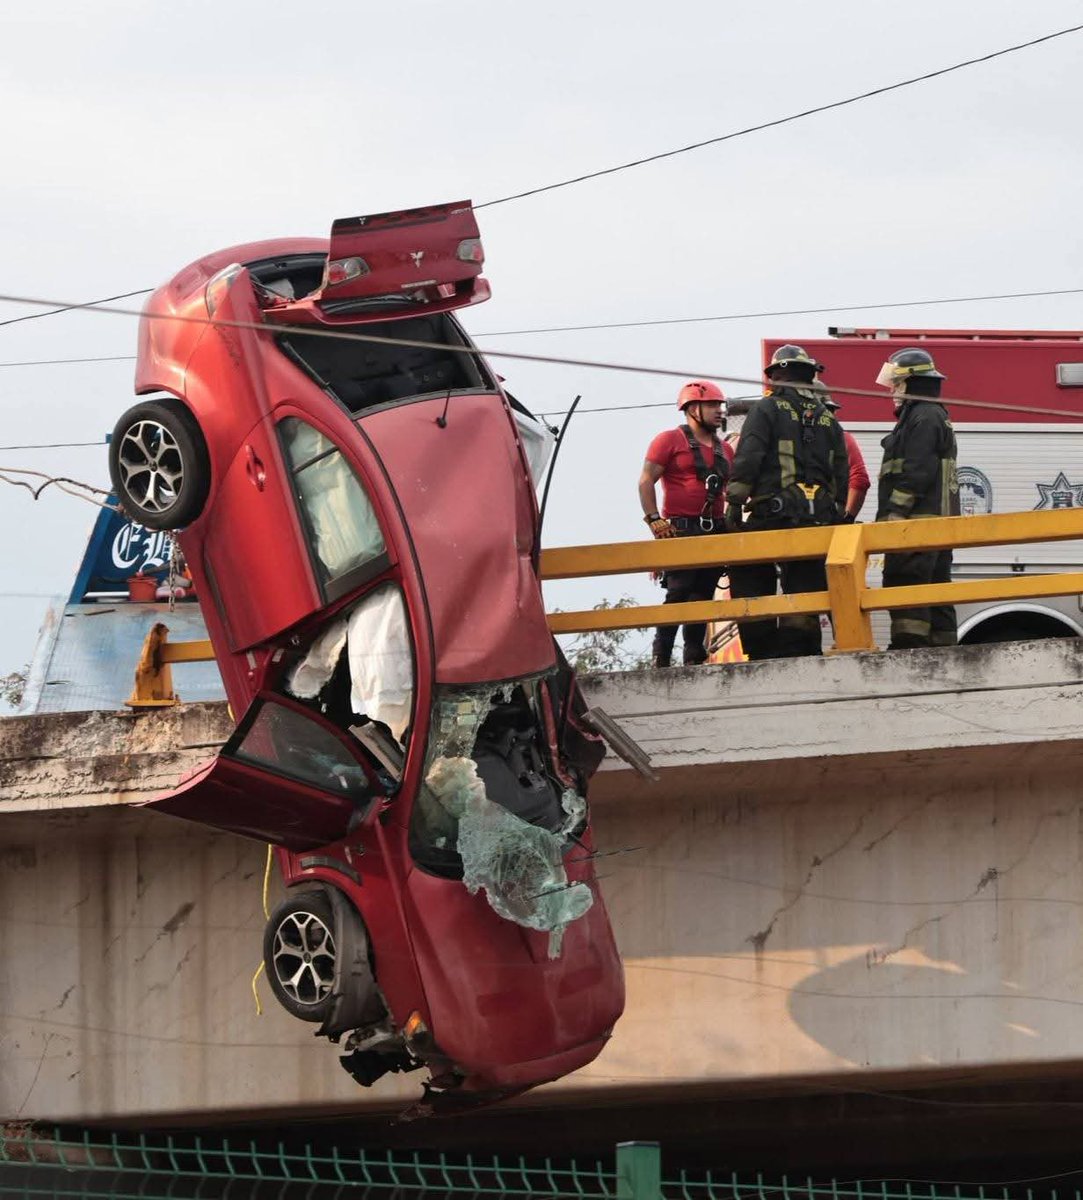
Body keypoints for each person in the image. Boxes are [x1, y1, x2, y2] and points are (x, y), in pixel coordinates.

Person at [724, 345, 849, 659]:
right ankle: (802, 650)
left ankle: (761, 652)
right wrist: (835, 511)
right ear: (808, 375)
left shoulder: (766, 409)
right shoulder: (827, 417)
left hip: (773, 514)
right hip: (817, 519)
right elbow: (841, 471)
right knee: (805, 588)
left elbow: (749, 456)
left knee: (748, 572)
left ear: (776, 375)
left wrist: (735, 501)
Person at [639, 380, 732, 667]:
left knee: (702, 594)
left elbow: (731, 490)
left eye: (719, 405)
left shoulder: (725, 450)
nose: (719, 411)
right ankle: (662, 655)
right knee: (678, 593)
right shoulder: (669, 440)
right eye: (712, 405)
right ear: (692, 409)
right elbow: (646, 481)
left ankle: (694, 654)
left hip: (714, 528)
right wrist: (654, 520)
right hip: (679, 529)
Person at [875, 347, 959, 649]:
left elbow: (917, 469)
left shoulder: (923, 415)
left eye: (896, 384)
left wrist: (896, 511)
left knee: (905, 583)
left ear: (911, 382)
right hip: (934, 524)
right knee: (936, 589)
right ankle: (943, 652)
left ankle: (909, 650)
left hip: (917, 524)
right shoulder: (932, 414)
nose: (893, 391)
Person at [813, 379, 870, 521]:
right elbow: (860, 480)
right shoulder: (842, 438)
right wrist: (848, 517)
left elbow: (859, 479)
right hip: (831, 517)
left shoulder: (787, 436)